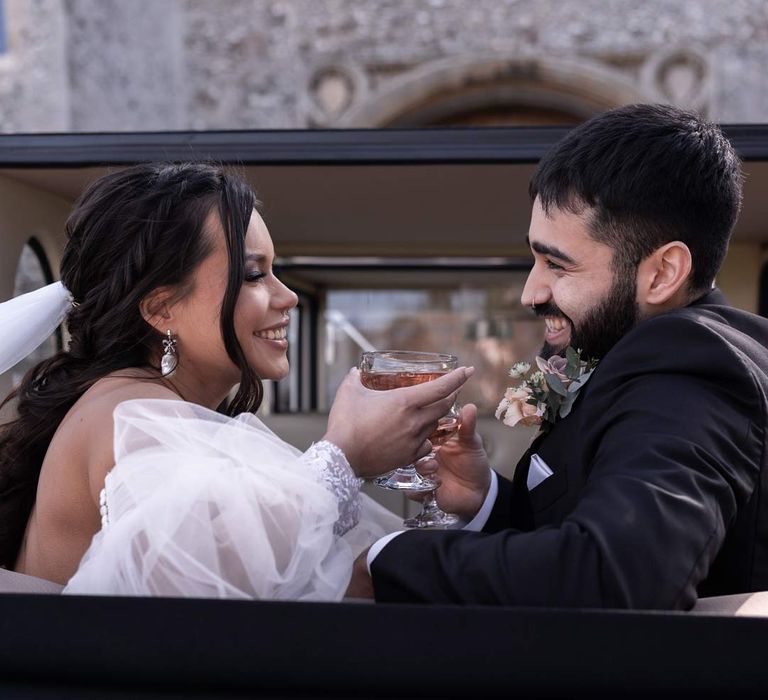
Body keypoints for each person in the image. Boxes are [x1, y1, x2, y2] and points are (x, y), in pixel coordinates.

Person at [354, 103, 768, 609]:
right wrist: (486, 499)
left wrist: (391, 557)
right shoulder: (649, 353)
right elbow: (586, 530)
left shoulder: (691, 364)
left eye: (558, 265)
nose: (531, 292)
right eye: (535, 258)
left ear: (662, 273)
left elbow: (616, 575)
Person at [0, 163, 472, 600]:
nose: (287, 297)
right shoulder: (133, 414)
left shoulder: (128, 402)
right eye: (253, 275)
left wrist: (460, 508)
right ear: (161, 309)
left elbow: (337, 575)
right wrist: (344, 458)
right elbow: (194, 576)